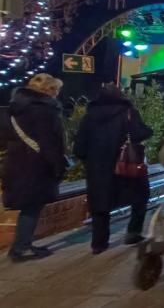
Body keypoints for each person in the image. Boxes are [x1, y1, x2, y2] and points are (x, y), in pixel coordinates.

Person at [73, 84, 153, 254]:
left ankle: (99, 243)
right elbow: (140, 134)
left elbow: (79, 148)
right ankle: (133, 233)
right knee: (139, 197)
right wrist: (148, 130)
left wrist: (91, 162)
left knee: (100, 204)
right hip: (125, 167)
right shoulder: (129, 113)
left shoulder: (89, 117)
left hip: (98, 170)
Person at [2, 74, 67, 262]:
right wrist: (58, 166)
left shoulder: (15, 109)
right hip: (36, 165)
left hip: (16, 162)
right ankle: (21, 247)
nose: (57, 94)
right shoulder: (44, 111)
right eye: (56, 90)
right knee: (32, 206)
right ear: (49, 90)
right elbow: (49, 143)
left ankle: (22, 244)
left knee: (29, 206)